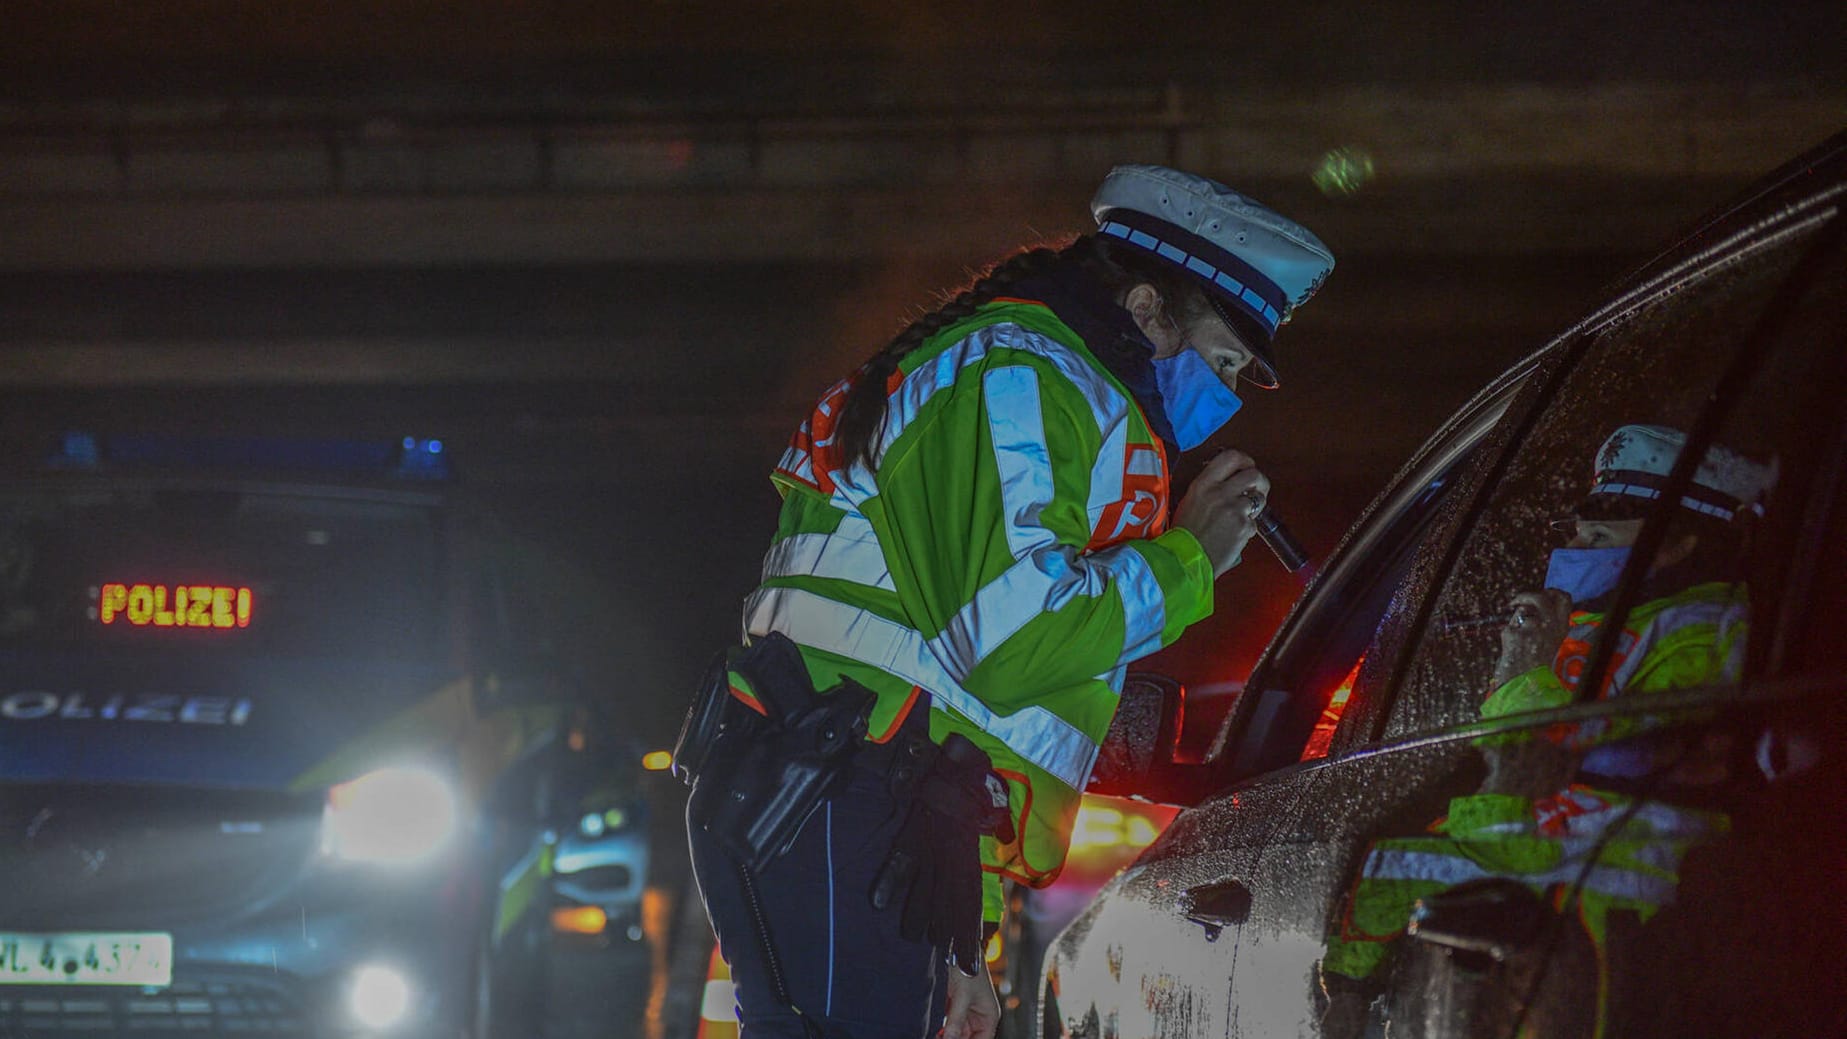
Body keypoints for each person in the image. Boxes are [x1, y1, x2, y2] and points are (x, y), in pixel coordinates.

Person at [678, 164, 1334, 1039]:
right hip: (841, 798)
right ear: (1146, 310)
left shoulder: (1041, 384)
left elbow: (961, 713)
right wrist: (1189, 561)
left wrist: (961, 942)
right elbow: (1009, 638)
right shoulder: (1021, 376)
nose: (1221, 396)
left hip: (862, 801)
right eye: (1221, 362)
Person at [1320, 424, 1777, 1039]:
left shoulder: (1701, 628)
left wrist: (1527, 668)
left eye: (1601, 535)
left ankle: (1347, 1008)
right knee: (1391, 861)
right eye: (1581, 534)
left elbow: (1564, 757)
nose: (1579, 550)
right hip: (1558, 836)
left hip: (1622, 859)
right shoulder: (1601, 620)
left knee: (1393, 865)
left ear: (1677, 542)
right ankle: (1348, 1002)